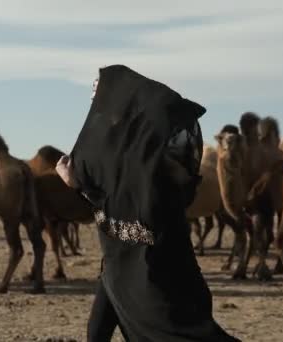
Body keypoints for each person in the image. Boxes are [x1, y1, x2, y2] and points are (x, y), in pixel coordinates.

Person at [56, 65, 240, 342]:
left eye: (101, 96)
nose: (96, 104)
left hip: (155, 265)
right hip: (117, 261)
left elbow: (147, 197)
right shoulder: (113, 143)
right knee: (96, 333)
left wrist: (78, 184)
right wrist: (77, 183)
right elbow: (110, 195)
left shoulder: (155, 144)